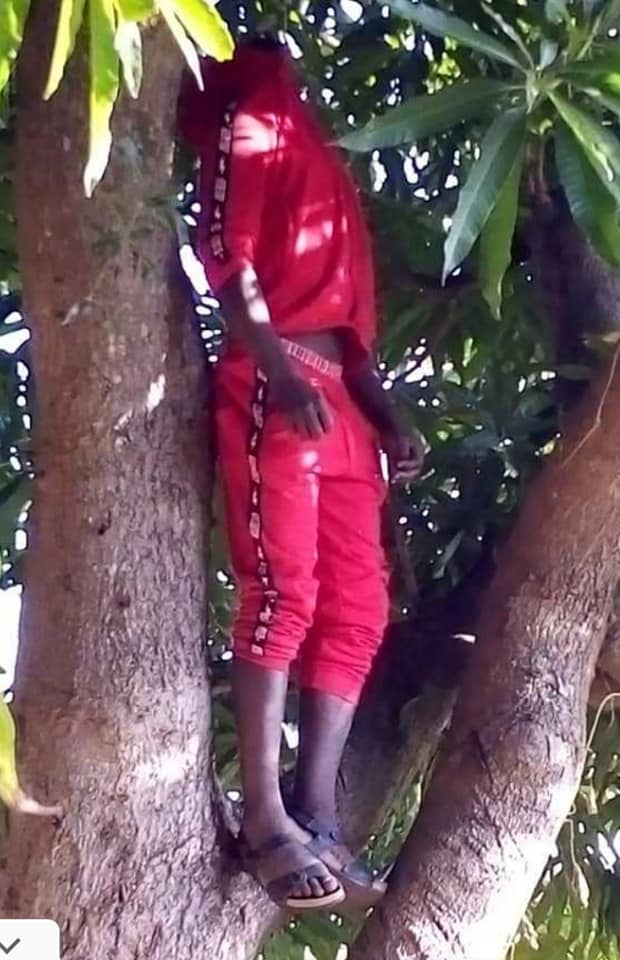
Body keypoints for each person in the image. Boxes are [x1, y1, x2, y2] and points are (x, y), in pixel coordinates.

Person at [177, 33, 424, 912]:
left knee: (358, 607)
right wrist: (278, 374)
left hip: (341, 405)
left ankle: (316, 817)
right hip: (279, 377)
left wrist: (386, 416)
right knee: (284, 589)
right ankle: (265, 819)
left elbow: (355, 332)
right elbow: (228, 256)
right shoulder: (249, 114)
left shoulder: (318, 150)